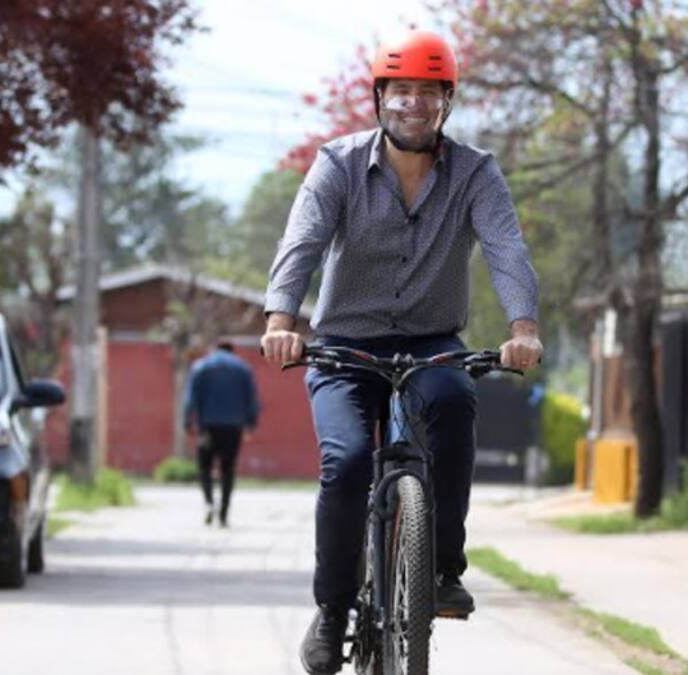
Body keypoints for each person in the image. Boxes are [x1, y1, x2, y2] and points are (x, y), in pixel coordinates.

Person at [258, 32, 544, 674]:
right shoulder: (336, 165)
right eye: (401, 91)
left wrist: (523, 328)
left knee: (452, 406)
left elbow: (505, 248)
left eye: (428, 92)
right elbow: (300, 244)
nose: (413, 104)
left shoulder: (476, 172)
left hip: (431, 341)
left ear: (447, 102)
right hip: (343, 344)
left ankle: (442, 568)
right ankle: (333, 611)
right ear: (380, 98)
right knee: (349, 459)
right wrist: (282, 320)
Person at [183, 340, 260, 528]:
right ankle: (224, 513)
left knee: (204, 467)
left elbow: (190, 398)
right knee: (228, 469)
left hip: (207, 426)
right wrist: (250, 424)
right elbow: (252, 400)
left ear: (214, 349)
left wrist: (187, 421)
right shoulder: (243, 369)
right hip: (233, 427)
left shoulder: (200, 367)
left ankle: (209, 502)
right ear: (233, 351)